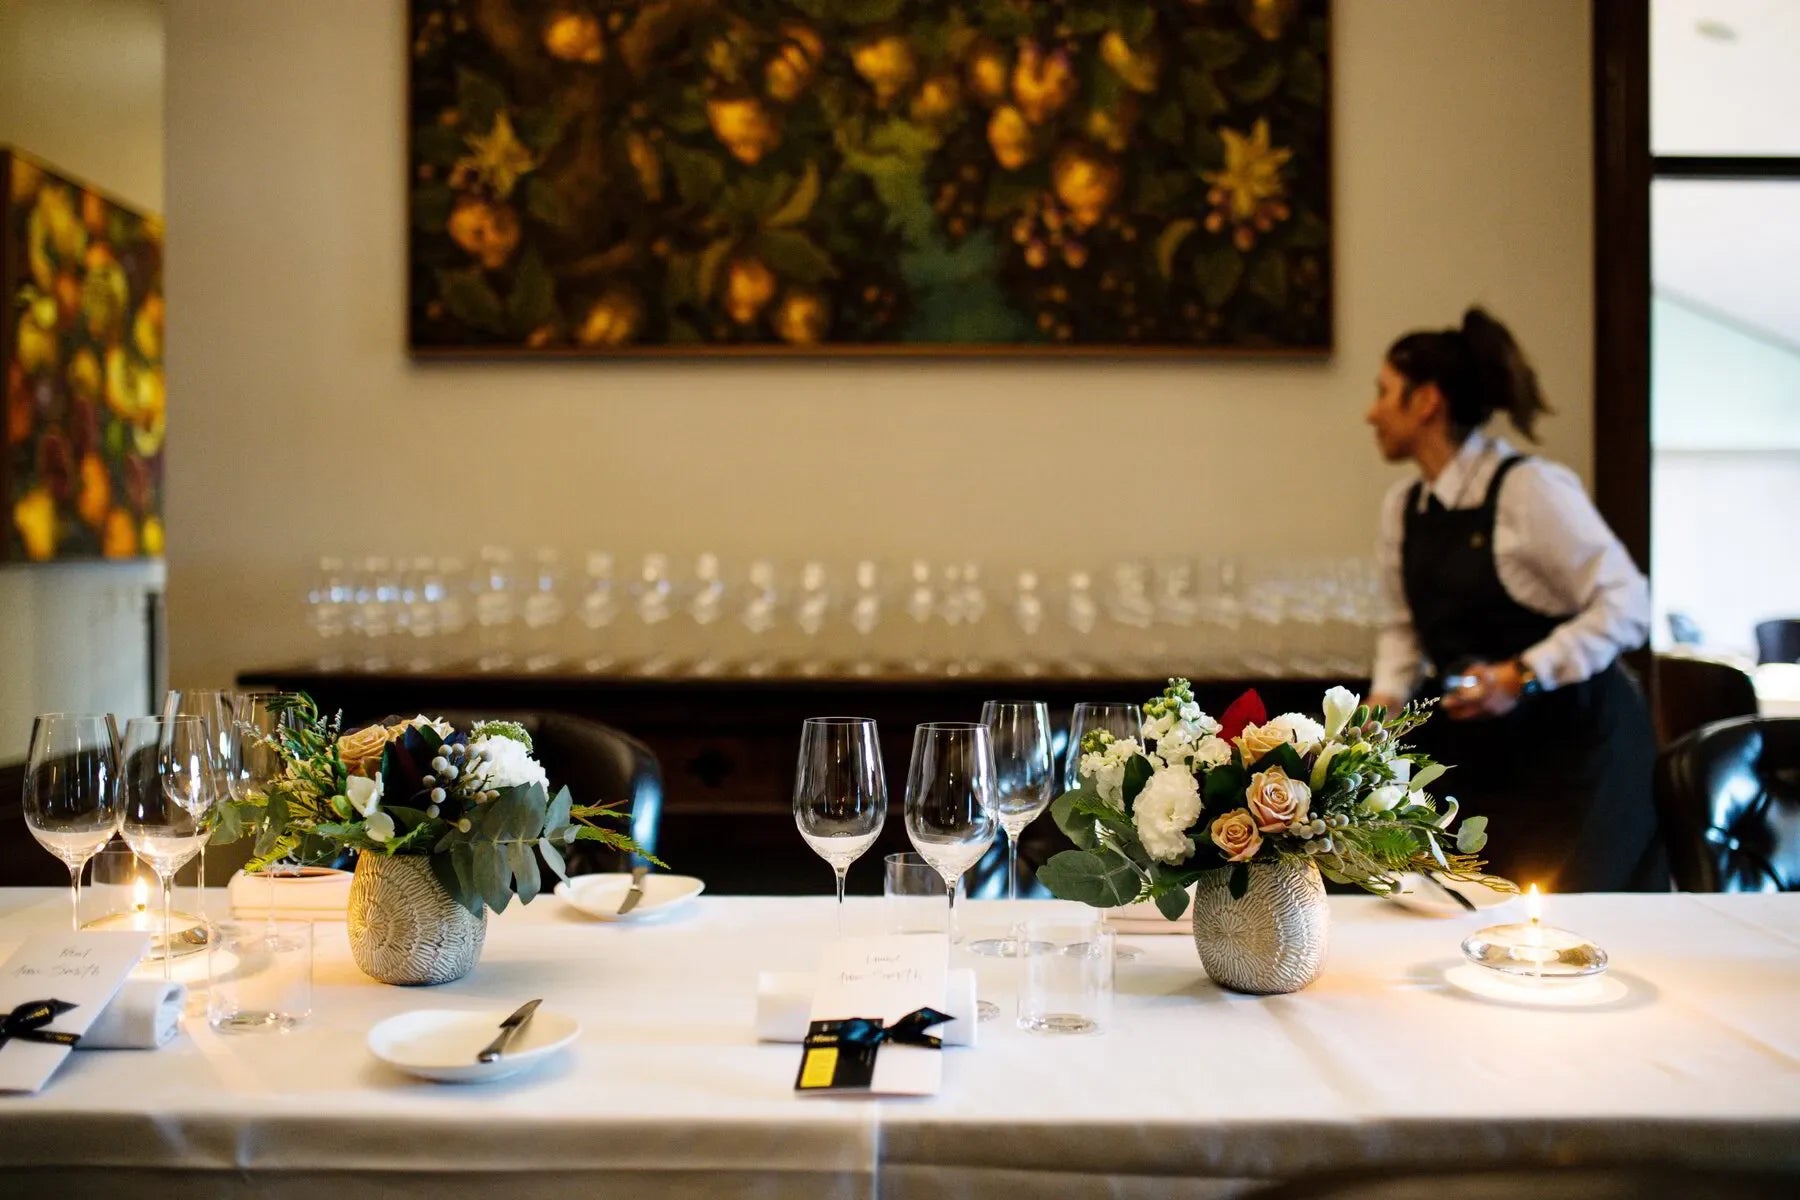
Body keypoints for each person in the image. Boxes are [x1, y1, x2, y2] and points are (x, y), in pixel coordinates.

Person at [1364, 307, 1666, 891]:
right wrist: (1380, 712)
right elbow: (1403, 627)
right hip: (1487, 753)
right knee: (1471, 907)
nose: (1370, 413)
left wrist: (1522, 675)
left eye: (1383, 392)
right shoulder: (1403, 507)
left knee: (1574, 916)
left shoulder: (1530, 490)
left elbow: (1628, 603)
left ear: (1426, 402)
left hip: (1579, 755)